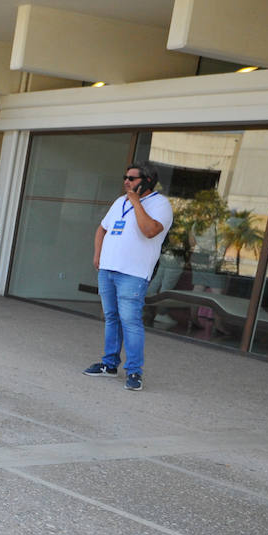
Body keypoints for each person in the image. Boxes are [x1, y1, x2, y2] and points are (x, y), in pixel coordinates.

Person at [82, 163, 174, 391]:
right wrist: (98, 255)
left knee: (131, 321)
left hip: (133, 274)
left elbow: (150, 230)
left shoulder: (160, 204)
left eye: (132, 178)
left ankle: (134, 371)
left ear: (148, 180)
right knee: (112, 317)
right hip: (108, 270)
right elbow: (102, 228)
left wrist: (135, 201)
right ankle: (109, 364)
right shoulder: (118, 202)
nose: (126, 182)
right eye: (125, 177)